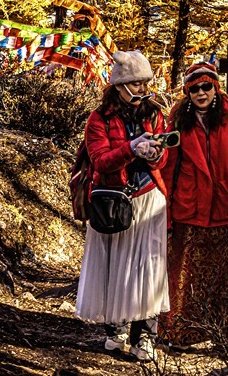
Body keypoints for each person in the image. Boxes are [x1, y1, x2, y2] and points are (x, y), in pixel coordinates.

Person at [75, 50, 170, 362]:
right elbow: (101, 160)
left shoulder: (155, 113)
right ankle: (116, 330)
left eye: (146, 83)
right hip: (113, 200)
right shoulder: (98, 120)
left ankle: (146, 335)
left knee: (150, 269)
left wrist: (156, 154)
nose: (143, 89)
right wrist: (131, 148)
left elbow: (164, 156)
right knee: (116, 266)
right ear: (119, 85)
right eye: (137, 83)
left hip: (149, 197)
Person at [160, 61, 228, 347]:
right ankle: (182, 332)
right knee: (184, 275)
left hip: (225, 210)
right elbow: (168, 167)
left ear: (215, 87)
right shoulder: (178, 120)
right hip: (188, 210)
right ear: (187, 91)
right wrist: (167, 209)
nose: (201, 92)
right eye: (195, 88)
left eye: (207, 86)